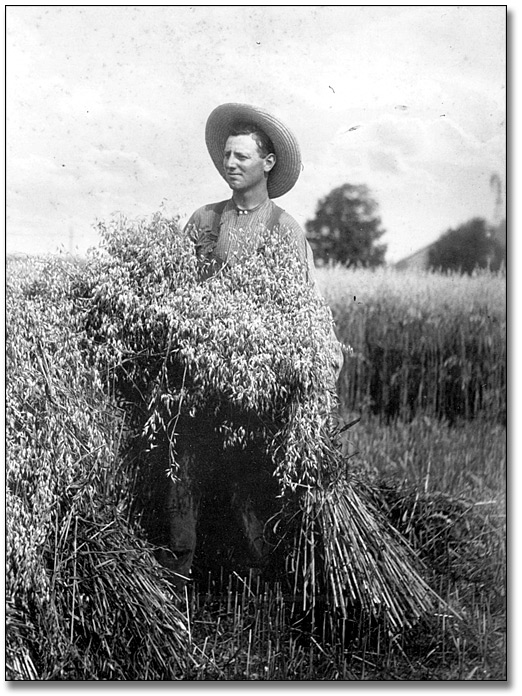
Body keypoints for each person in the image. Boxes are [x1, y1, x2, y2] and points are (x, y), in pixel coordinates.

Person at [155, 103, 344, 588]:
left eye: (241, 155)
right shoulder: (204, 220)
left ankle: (251, 600)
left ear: (268, 163)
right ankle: (177, 592)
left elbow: (303, 307)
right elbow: (173, 287)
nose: (230, 163)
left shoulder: (284, 230)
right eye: (226, 155)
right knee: (183, 482)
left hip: (254, 393)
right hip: (198, 385)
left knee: (249, 492)